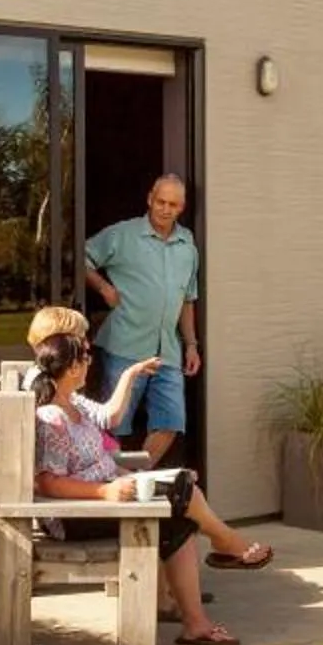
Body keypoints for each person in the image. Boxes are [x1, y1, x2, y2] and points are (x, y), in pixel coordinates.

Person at [25, 314, 271, 645]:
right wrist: (105, 491)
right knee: (184, 501)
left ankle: (199, 616)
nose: (90, 359)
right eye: (85, 355)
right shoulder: (52, 416)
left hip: (104, 496)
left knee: (182, 500)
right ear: (70, 367)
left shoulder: (71, 401)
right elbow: (48, 483)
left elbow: (106, 424)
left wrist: (124, 478)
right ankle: (226, 547)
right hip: (79, 514)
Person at [83, 173, 201, 465]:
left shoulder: (188, 245)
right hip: (126, 346)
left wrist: (191, 345)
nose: (165, 209)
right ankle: (112, 488)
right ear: (150, 199)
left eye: (173, 204)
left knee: (171, 423)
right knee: (113, 425)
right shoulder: (122, 235)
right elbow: (81, 258)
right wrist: (103, 287)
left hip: (168, 352)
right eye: (160, 201)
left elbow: (187, 299)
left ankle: (132, 480)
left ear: (181, 207)